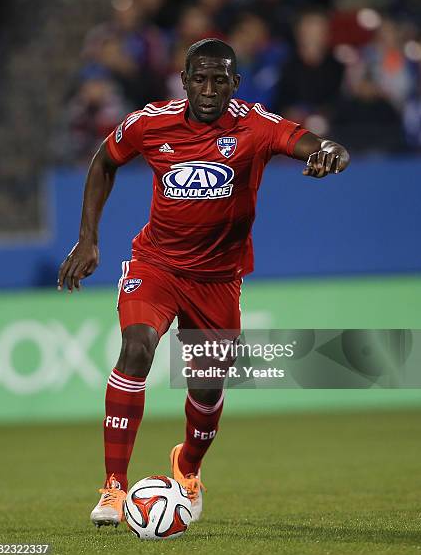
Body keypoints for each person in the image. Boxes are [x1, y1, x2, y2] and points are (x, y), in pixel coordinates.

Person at [57, 38, 350, 528]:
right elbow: (104, 161)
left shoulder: (254, 125)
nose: (209, 88)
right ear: (184, 80)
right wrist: (88, 240)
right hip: (157, 266)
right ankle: (112, 487)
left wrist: (328, 151)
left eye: (220, 79)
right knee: (137, 348)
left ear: (235, 83)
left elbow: (311, 142)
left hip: (218, 278)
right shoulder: (150, 122)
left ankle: (187, 467)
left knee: (208, 389)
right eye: (200, 78)